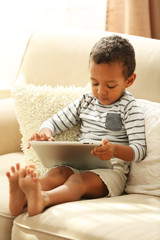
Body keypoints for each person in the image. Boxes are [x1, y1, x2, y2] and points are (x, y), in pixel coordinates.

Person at [6, 35, 146, 216]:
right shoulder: (85, 101)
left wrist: (114, 150)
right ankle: (25, 195)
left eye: (110, 85)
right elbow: (53, 122)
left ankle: (44, 199)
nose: (101, 91)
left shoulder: (129, 107)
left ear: (129, 80)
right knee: (58, 173)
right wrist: (44, 133)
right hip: (78, 164)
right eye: (95, 83)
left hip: (110, 172)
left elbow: (139, 150)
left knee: (77, 181)